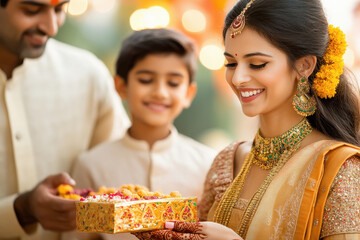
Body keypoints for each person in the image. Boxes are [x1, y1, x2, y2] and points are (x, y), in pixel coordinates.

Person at [133, 0, 360, 239]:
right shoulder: (226, 163)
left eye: (257, 64)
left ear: (304, 66)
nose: (238, 78)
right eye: (231, 63)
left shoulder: (340, 170)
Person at [62, 28, 217, 240]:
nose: (160, 92)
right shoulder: (91, 165)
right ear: (121, 86)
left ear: (188, 93)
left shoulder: (208, 164)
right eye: (145, 80)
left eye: (173, 83)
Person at [0, 0, 130, 239]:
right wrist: (21, 210)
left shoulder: (88, 75)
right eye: (31, 10)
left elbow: (122, 174)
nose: (51, 27)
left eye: (60, 9)